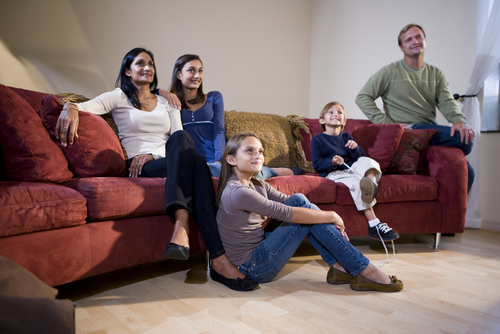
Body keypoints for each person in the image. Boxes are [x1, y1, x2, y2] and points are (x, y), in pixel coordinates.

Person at [55, 47, 258, 291]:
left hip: (163, 159)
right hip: (139, 165)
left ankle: (189, 235)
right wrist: (70, 108)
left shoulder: (167, 101)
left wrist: (154, 153)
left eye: (150, 64)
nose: (147, 68)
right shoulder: (118, 96)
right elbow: (86, 106)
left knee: (187, 146)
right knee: (197, 166)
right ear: (128, 71)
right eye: (140, 64)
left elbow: (178, 139)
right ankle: (217, 257)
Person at [215, 132, 404, 292]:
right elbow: (286, 213)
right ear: (231, 159)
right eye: (249, 151)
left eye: (260, 151)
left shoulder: (256, 183)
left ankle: (340, 267)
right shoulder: (238, 192)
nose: (258, 155)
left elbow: (293, 203)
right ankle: (363, 269)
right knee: (303, 214)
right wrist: (332, 216)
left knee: (299, 200)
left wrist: (320, 215)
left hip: (260, 250)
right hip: (253, 267)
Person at [355, 23, 475, 193]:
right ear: (401, 47)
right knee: (467, 142)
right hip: (407, 131)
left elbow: (447, 101)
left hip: (427, 131)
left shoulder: (436, 74)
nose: (415, 41)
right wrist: (389, 124)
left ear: (424, 40)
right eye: (408, 39)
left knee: (468, 172)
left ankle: (450, 220)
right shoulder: (389, 72)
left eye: (418, 37)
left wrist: (459, 120)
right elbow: (362, 97)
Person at [157, 54, 301, 179]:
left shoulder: (214, 97)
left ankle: (272, 171)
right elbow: (144, 92)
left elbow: (219, 131)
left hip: (216, 158)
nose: (197, 75)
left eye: (200, 71)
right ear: (179, 74)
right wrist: (162, 92)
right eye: (191, 70)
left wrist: (219, 160)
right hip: (191, 160)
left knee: (237, 173)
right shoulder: (170, 103)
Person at [311, 102, 399, 242]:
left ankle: (370, 184)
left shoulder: (347, 137)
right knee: (356, 184)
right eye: (331, 112)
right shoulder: (318, 139)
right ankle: (374, 224)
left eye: (340, 112)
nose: (336, 114)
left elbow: (360, 159)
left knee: (368, 161)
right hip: (335, 173)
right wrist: (332, 162)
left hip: (351, 169)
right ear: (322, 120)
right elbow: (317, 165)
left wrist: (355, 148)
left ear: (344, 121)